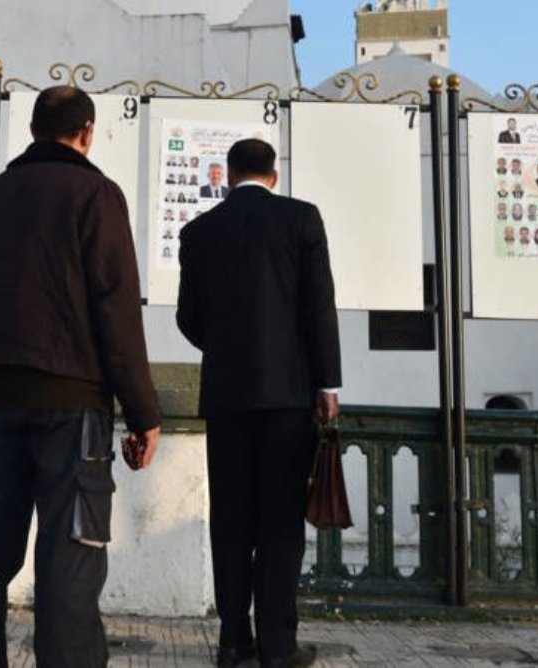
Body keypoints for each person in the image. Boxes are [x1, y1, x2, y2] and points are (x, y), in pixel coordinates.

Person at [0, 86, 161, 668]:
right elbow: (115, 309)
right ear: (87, 132)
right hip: (73, 404)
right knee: (69, 558)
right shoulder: (96, 195)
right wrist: (143, 413)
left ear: (34, 129)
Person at [178, 139, 340, 668]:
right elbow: (319, 308)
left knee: (230, 521)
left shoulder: (198, 232)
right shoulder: (301, 219)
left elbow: (188, 319)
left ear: (228, 175)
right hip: (289, 398)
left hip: (225, 398)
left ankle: (232, 642)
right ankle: (277, 645)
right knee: (279, 522)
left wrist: (226, 350)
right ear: (274, 175)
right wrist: (327, 385)